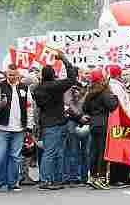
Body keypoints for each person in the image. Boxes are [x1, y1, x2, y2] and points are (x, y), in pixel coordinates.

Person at [34, 53, 77, 191]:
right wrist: (64, 60)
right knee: (54, 152)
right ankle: (48, 180)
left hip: (47, 123)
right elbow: (72, 78)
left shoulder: (38, 89)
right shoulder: (56, 86)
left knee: (52, 152)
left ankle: (53, 179)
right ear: (53, 74)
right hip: (58, 122)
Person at [0, 64, 35, 192]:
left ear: (18, 75)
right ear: (6, 74)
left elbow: (29, 107)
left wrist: (29, 126)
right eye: (9, 75)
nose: (12, 77)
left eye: (14, 75)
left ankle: (13, 182)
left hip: (19, 128)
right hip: (2, 127)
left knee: (15, 157)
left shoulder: (24, 88)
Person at [83, 68, 119, 191]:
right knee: (103, 152)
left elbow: (85, 108)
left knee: (94, 151)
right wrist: (115, 97)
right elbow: (112, 105)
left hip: (93, 124)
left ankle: (92, 176)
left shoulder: (90, 92)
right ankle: (101, 178)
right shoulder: (104, 92)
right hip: (103, 123)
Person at [106, 65, 130, 188]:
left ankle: (124, 176)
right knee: (118, 150)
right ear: (117, 75)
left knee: (125, 149)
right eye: (122, 74)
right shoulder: (114, 86)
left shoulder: (118, 85)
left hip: (125, 120)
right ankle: (116, 177)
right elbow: (120, 104)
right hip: (119, 121)